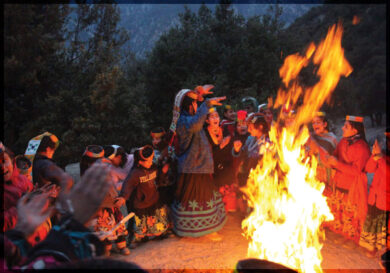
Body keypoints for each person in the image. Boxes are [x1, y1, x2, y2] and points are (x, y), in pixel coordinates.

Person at [3, 162, 110, 270]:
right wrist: (74, 223)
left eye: (3, 160)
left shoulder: (23, 183)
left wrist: (20, 232)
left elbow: (11, 256)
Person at [169, 86, 227, 240]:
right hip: (193, 167)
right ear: (189, 105)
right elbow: (196, 124)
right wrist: (207, 103)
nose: (197, 104)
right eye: (194, 103)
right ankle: (203, 230)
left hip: (198, 165)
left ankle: (199, 229)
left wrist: (200, 95)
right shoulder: (184, 120)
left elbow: (197, 117)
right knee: (197, 198)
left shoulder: (186, 117)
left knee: (201, 198)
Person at [323, 115, 371, 249]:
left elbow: (357, 171)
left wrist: (337, 164)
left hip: (352, 187)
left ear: (355, 131)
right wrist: (330, 159)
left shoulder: (363, 148)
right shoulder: (343, 141)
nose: (342, 128)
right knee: (340, 212)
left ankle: (351, 239)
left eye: (346, 126)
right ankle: (342, 234)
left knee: (351, 215)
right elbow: (336, 154)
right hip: (339, 183)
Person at [81, 145, 130, 256]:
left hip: (111, 204)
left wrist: (117, 198)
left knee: (117, 225)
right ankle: (106, 248)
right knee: (102, 229)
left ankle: (121, 246)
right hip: (99, 208)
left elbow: (111, 187)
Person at [115, 145, 170, 245]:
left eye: (151, 159)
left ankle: (160, 233)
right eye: (147, 161)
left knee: (156, 219)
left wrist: (163, 171)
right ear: (140, 161)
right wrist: (123, 197)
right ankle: (139, 239)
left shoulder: (153, 167)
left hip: (153, 199)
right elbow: (128, 184)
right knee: (141, 223)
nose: (150, 162)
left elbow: (159, 179)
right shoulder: (135, 173)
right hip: (141, 203)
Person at [359, 129, 390, 257]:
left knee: (383, 227)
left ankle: (384, 251)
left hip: (385, 199)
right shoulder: (383, 154)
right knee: (373, 225)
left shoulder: (384, 157)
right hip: (375, 197)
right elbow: (369, 169)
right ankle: (372, 248)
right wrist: (374, 156)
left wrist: (381, 159)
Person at [232, 114, 271, 215]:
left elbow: (267, 162)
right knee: (249, 199)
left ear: (260, 127)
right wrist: (237, 150)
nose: (249, 130)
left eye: (251, 128)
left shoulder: (268, 142)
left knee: (260, 200)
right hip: (247, 174)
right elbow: (243, 152)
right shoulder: (250, 139)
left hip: (261, 176)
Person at [204, 107, 236, 212]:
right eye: (212, 116)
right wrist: (220, 146)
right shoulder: (204, 134)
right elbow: (207, 153)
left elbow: (230, 149)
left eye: (217, 116)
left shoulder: (224, 130)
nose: (215, 118)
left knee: (227, 192)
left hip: (226, 167)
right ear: (207, 120)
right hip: (212, 169)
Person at [307, 112, 338, 197]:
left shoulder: (332, 138)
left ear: (325, 124)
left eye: (318, 122)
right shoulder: (311, 137)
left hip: (329, 174)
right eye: (313, 123)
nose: (315, 125)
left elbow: (336, 158)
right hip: (315, 173)